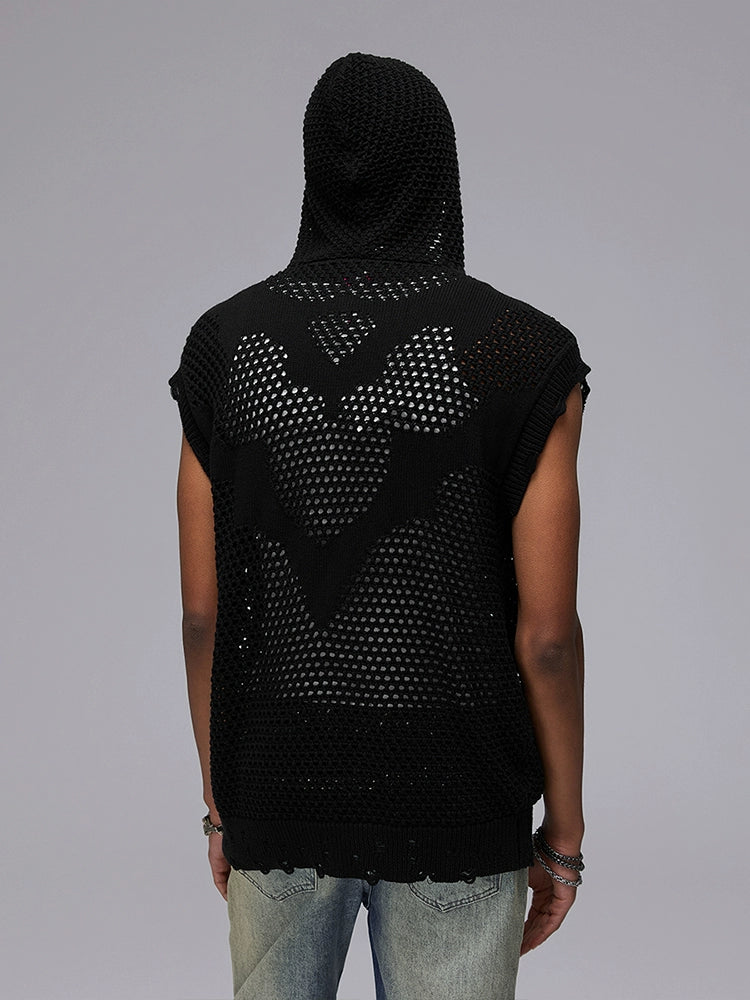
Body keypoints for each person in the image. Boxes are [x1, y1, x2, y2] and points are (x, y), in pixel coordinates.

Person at [169, 51, 590, 1000]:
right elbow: (547, 638)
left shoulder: (224, 349)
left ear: (315, 170)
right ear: (440, 168)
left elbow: (204, 615)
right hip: (458, 790)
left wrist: (220, 801)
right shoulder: (523, 353)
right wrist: (561, 835)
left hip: (279, 777)